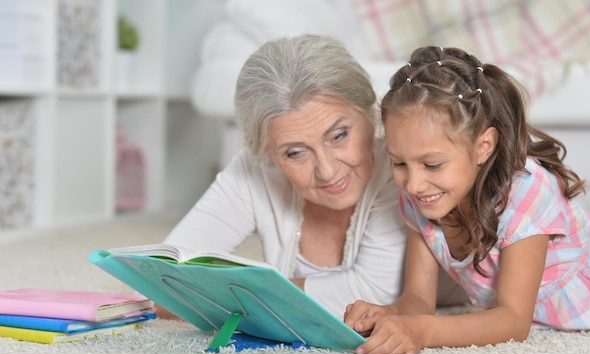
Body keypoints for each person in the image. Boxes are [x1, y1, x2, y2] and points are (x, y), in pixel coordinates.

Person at [344, 45, 590, 354]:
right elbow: (419, 302)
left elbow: (513, 321)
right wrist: (388, 314)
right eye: (399, 164)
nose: (414, 184)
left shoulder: (526, 194)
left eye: (432, 165)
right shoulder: (421, 198)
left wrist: (422, 331)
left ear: (483, 147)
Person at [162, 34, 465, 320]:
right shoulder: (256, 168)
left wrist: (228, 294)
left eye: (339, 135)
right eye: (295, 153)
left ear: (371, 113)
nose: (327, 171)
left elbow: (372, 293)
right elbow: (164, 276)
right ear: (267, 153)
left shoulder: (402, 166)